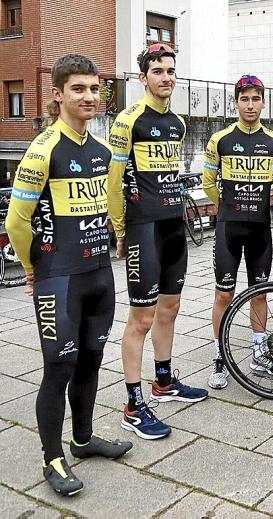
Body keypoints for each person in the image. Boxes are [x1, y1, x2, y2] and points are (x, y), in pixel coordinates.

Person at [6, 54, 132, 496]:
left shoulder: (99, 151)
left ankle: (82, 439)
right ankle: (52, 458)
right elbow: (16, 223)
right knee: (59, 367)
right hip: (59, 279)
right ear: (57, 94)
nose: (89, 97)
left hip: (99, 274)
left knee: (93, 361)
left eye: (95, 89)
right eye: (79, 89)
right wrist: (30, 268)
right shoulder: (41, 151)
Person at [108, 43, 207, 441]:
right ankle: (133, 406)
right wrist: (119, 229)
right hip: (142, 227)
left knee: (171, 307)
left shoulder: (178, 123)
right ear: (142, 77)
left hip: (172, 226)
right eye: (158, 71)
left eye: (170, 71)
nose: (166, 77)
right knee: (141, 318)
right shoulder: (127, 121)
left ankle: (163, 382)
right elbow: (113, 182)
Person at [202, 75, 273, 387]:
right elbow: (207, 183)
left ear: (263, 102)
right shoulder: (221, 140)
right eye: (245, 99)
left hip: (260, 229)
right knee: (223, 294)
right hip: (229, 228)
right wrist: (225, 205)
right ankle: (219, 356)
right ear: (236, 102)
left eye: (256, 99)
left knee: (260, 292)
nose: (250, 105)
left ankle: (258, 351)